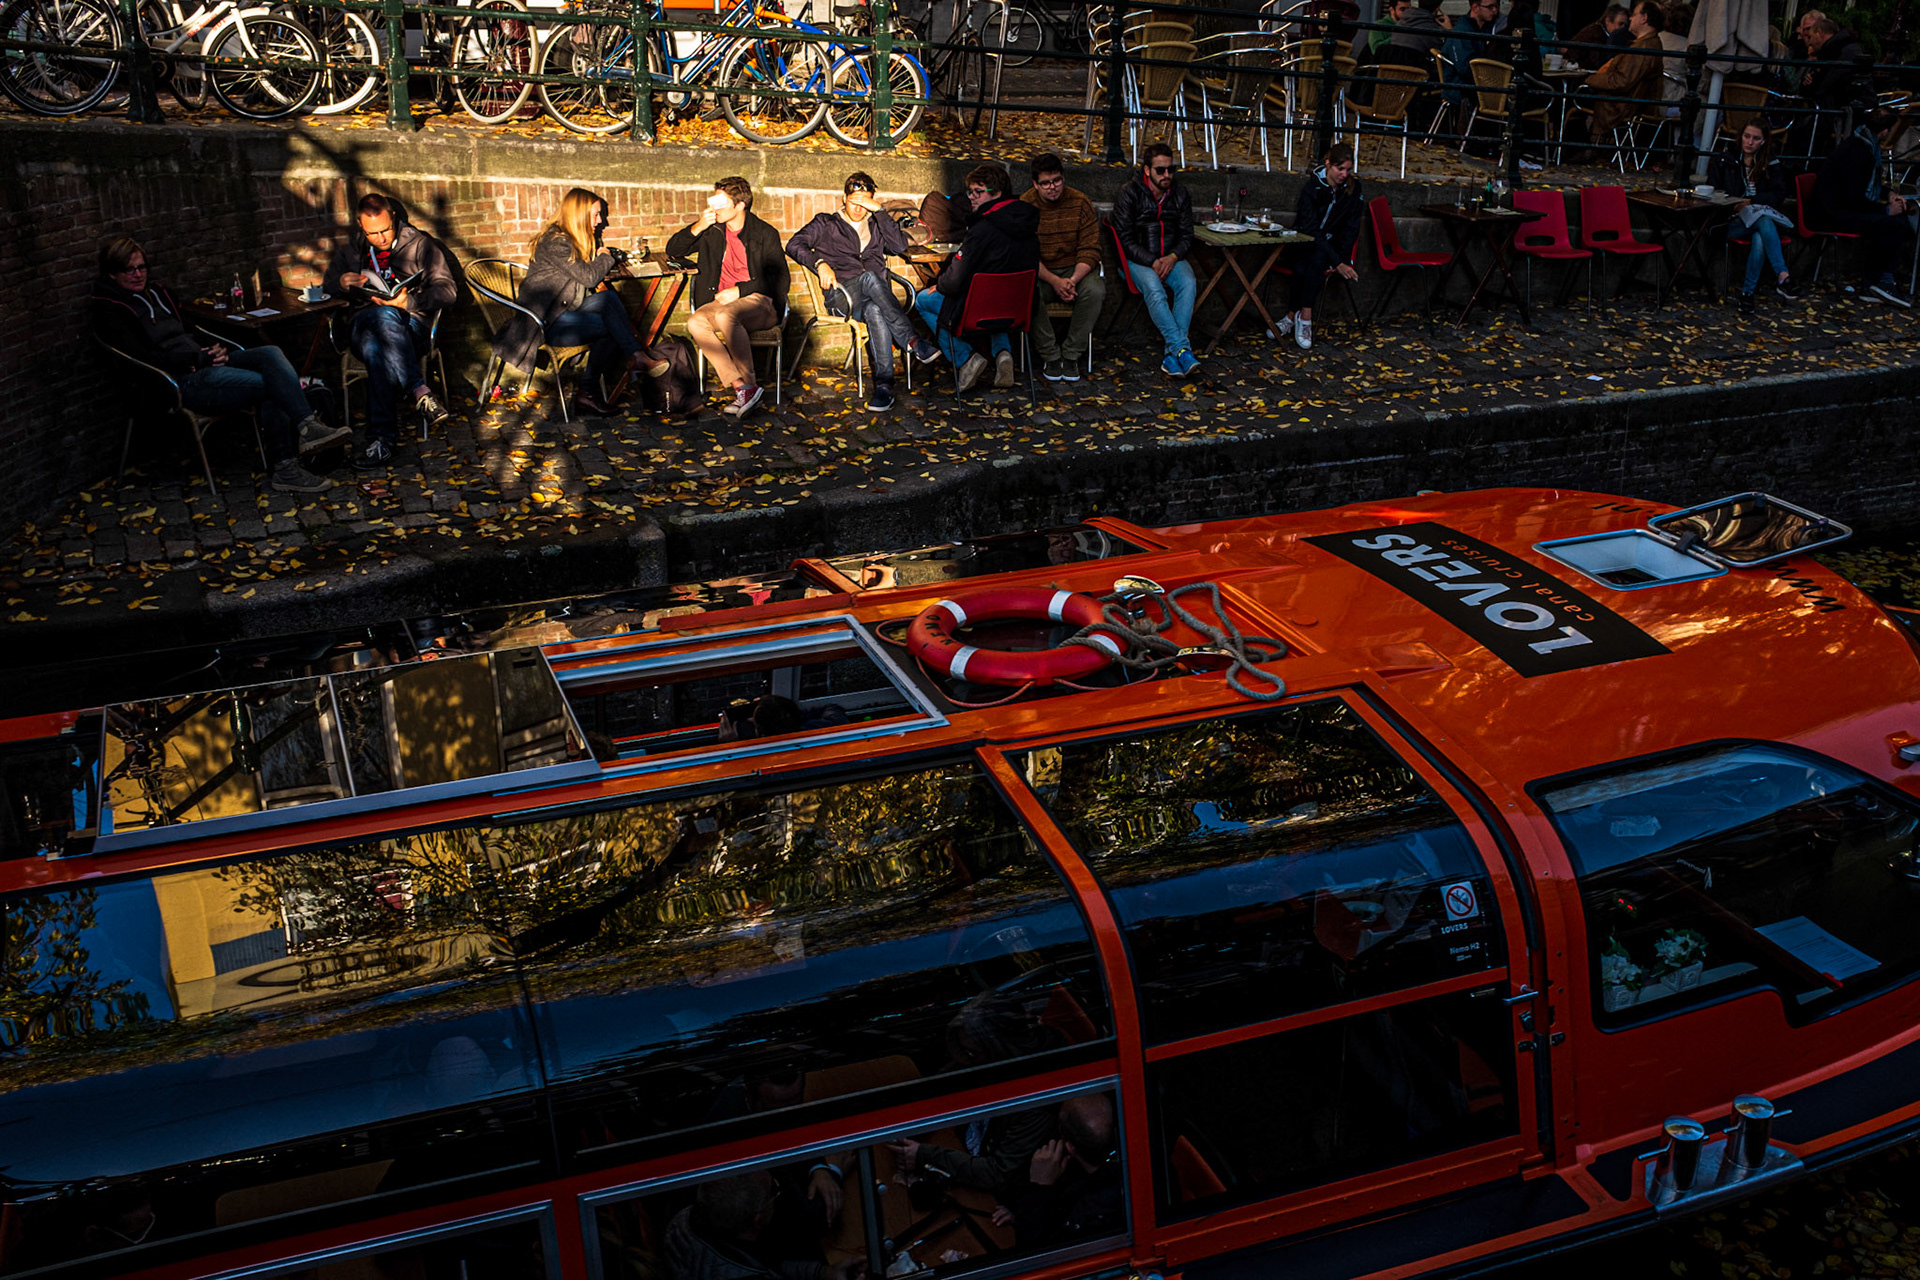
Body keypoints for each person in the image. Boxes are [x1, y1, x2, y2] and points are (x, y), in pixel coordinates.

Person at [90, 236, 343, 494]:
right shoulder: (110, 309)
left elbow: (190, 330)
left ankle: (307, 426)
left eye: (141, 267)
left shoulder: (158, 293)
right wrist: (197, 359)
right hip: (177, 381)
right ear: (112, 274)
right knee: (273, 386)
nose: (137, 275)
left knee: (270, 353)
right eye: (128, 269)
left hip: (203, 362)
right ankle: (286, 469)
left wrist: (215, 348)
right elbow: (142, 357)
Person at [322, 193, 459, 471]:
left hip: (411, 327)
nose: (381, 238)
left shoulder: (421, 245)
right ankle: (419, 391)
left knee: (378, 350)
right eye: (373, 233)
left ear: (393, 218)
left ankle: (381, 442)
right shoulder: (350, 251)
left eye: (385, 229)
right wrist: (339, 283)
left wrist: (409, 302)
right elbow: (325, 291)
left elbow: (448, 291)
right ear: (361, 226)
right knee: (379, 318)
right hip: (361, 326)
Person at [786, 171, 942, 414]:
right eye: (853, 202)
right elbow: (794, 244)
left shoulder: (877, 224)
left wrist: (880, 212)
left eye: (864, 204)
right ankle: (911, 340)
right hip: (842, 298)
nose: (858, 209)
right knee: (869, 277)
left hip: (876, 300)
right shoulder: (826, 223)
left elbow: (900, 246)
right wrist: (819, 263)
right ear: (843, 198)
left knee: (875, 309)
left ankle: (884, 386)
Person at [489, 188, 651, 418]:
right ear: (578, 214)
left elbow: (585, 276)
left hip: (565, 311)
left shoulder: (572, 239)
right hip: (545, 323)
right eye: (595, 215)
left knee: (608, 299)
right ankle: (592, 389)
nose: (600, 221)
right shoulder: (556, 242)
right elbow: (588, 277)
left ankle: (635, 357)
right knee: (611, 328)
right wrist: (606, 256)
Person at [667, 176, 790, 419]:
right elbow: (673, 250)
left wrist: (740, 290)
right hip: (722, 303)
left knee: (726, 315)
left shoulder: (765, 233)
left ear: (740, 205)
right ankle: (742, 388)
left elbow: (779, 279)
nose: (715, 208)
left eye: (721, 203)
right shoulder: (712, 230)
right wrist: (698, 226)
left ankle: (749, 383)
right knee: (695, 322)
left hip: (760, 302)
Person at [914, 163, 1040, 393]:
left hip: (978, 310)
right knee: (996, 299)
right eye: (970, 191)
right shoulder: (1028, 222)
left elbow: (953, 281)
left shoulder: (982, 227)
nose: (970, 197)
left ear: (997, 193)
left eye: (977, 192)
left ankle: (965, 359)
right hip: (1018, 308)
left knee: (923, 300)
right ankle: (1003, 354)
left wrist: (939, 285)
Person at [661, 1170, 865, 1280]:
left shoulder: (684, 1221)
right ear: (758, 1220)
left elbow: (767, 1263)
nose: (778, 1194)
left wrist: (822, 1273)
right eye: (773, 1190)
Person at [1813, 107, 1916, 308]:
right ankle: (1881, 281)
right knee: (1891, 223)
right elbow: (1854, 198)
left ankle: (1874, 281)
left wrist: (1889, 195)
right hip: (1832, 213)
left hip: (1840, 207)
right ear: (1884, 132)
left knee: (1895, 221)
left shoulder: (1862, 146)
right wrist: (1886, 209)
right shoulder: (1859, 152)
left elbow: (1865, 189)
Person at [1111, 143, 1199, 377]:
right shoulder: (1129, 192)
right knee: (1154, 288)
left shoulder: (1180, 193)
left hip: (1171, 258)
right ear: (1147, 170)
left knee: (1188, 283)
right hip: (1137, 261)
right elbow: (1124, 239)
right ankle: (1182, 348)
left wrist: (1172, 257)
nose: (1167, 175)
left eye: (1171, 169)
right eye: (1160, 170)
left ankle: (1172, 355)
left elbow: (1187, 234)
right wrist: (1152, 261)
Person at [997, 1095, 1124, 1250]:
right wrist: (1020, 1213)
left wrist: (1038, 1189)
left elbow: (1032, 1251)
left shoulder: (1097, 1207)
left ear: (1070, 1147)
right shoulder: (1089, 1170)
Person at [1020, 153, 1106, 383]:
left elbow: (1090, 248)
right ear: (1035, 184)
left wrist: (1073, 280)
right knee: (1027, 291)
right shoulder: (1025, 206)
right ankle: (1050, 354)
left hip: (1074, 270)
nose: (1052, 187)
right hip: (1042, 271)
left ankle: (1071, 354)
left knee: (1095, 290)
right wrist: (1055, 281)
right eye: (1046, 183)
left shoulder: (1080, 202)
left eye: (1057, 180)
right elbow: (1025, 255)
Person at [1272, 143, 1364, 353]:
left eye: (1348, 170)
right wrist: (1337, 262)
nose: (1344, 174)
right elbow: (1311, 229)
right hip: (1304, 240)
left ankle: (1296, 315)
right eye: (1340, 169)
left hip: (1329, 247)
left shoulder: (1353, 189)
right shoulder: (1312, 188)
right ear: (1328, 164)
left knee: (1315, 260)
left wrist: (1342, 259)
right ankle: (1304, 316)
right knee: (1311, 256)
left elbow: (1352, 227)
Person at [1710, 119, 1798, 312]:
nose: (1749, 142)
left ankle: (1747, 295)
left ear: (1764, 141)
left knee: (1760, 236)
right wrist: (1734, 203)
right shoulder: (1726, 159)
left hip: (1758, 220)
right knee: (1763, 222)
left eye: (1756, 138)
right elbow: (1714, 192)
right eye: (1747, 136)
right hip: (1732, 222)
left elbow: (1779, 194)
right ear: (1740, 136)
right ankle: (1782, 275)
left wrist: (1753, 200)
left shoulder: (1770, 163)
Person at [1580, 0, 1664, 146]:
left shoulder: (1643, 48)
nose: (1630, 18)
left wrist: (1590, 79)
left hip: (1619, 106)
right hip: (1627, 102)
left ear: (1644, 18)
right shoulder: (1646, 44)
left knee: (1573, 99)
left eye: (1635, 14)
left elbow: (1621, 81)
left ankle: (1578, 147)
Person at [1567, 4, 1629, 70]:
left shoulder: (1601, 33)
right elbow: (1596, 63)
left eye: (1625, 25)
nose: (1623, 28)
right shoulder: (1595, 34)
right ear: (1608, 21)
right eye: (1620, 24)